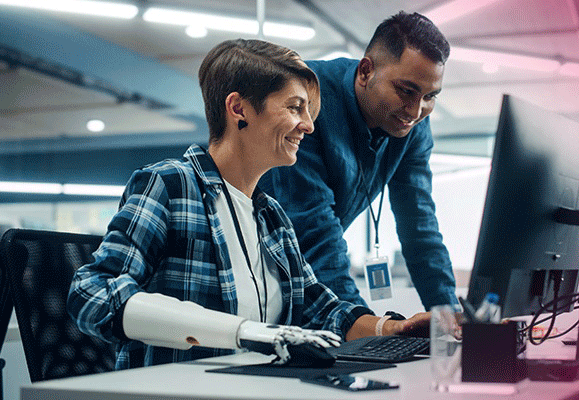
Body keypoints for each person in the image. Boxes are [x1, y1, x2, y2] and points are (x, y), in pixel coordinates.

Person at [68, 39, 427, 369]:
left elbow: (320, 309)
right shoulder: (170, 186)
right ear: (239, 108)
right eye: (294, 107)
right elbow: (92, 293)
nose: (308, 126)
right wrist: (242, 331)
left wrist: (392, 329)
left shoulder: (271, 217)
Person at [258, 11, 456, 309]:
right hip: (251, 269)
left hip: (305, 272)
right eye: (406, 91)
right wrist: (364, 324)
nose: (415, 112)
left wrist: (448, 314)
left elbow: (419, 222)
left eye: (430, 97)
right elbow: (313, 230)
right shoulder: (305, 100)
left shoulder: (412, 127)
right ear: (365, 71)